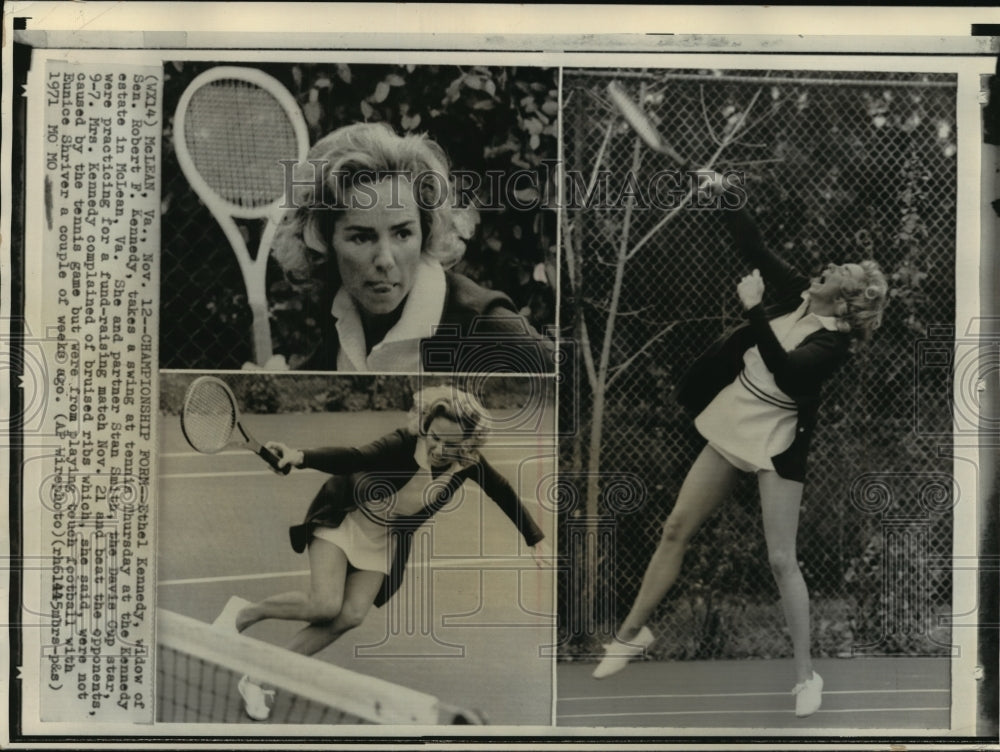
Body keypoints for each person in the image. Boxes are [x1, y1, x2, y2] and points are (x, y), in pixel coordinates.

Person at [591, 173, 889, 718]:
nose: (823, 269)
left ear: (842, 302)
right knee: (676, 527)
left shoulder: (834, 344)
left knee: (781, 559)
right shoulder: (798, 290)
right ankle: (633, 633)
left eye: (836, 273)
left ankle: (806, 677)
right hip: (737, 417)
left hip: (778, 442)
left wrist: (753, 306)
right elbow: (753, 244)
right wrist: (723, 190)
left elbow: (790, 373)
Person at [213, 386, 547, 721]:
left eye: (451, 443)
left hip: (385, 536)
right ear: (426, 424)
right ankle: (242, 614)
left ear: (468, 445)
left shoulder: (468, 463)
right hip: (347, 514)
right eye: (434, 436)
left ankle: (262, 676)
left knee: (351, 615)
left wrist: (535, 538)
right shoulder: (404, 441)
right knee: (325, 604)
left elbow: (501, 490)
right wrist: (300, 457)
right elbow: (355, 457)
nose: (438, 447)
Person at [270, 122, 553, 373]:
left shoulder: (484, 324)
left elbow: (570, 393)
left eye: (402, 234)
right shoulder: (341, 309)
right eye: (361, 238)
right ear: (324, 240)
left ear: (426, 231)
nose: (385, 260)